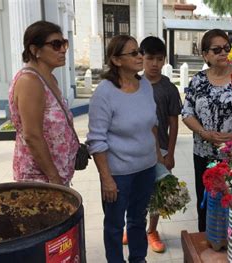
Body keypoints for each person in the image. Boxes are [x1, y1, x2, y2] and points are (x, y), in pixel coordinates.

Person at [87, 35, 162, 263]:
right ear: (116, 60)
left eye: (139, 51)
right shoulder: (105, 92)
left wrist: (158, 157)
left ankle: (138, 258)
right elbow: (96, 140)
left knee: (138, 219)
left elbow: (153, 125)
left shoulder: (145, 85)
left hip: (146, 169)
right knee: (114, 225)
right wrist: (106, 179)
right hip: (118, 174)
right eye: (133, 53)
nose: (140, 56)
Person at [181, 29, 232, 232]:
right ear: (205, 55)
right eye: (216, 49)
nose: (223, 53)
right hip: (204, 154)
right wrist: (203, 133)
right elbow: (187, 113)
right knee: (207, 199)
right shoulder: (198, 80)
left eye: (227, 48)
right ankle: (207, 242)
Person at [127, 36, 181, 253]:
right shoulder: (132, 84)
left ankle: (151, 230)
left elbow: (173, 122)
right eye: (150, 58)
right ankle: (133, 228)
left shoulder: (169, 88)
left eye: (159, 59)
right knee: (134, 192)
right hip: (135, 150)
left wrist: (170, 153)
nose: (154, 64)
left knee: (157, 193)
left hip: (162, 149)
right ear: (141, 58)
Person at [8, 21, 78, 186]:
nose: (63, 50)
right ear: (35, 50)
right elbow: (32, 135)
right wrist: (54, 178)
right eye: (56, 44)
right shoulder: (30, 81)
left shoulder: (49, 79)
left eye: (64, 44)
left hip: (55, 177)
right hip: (40, 180)